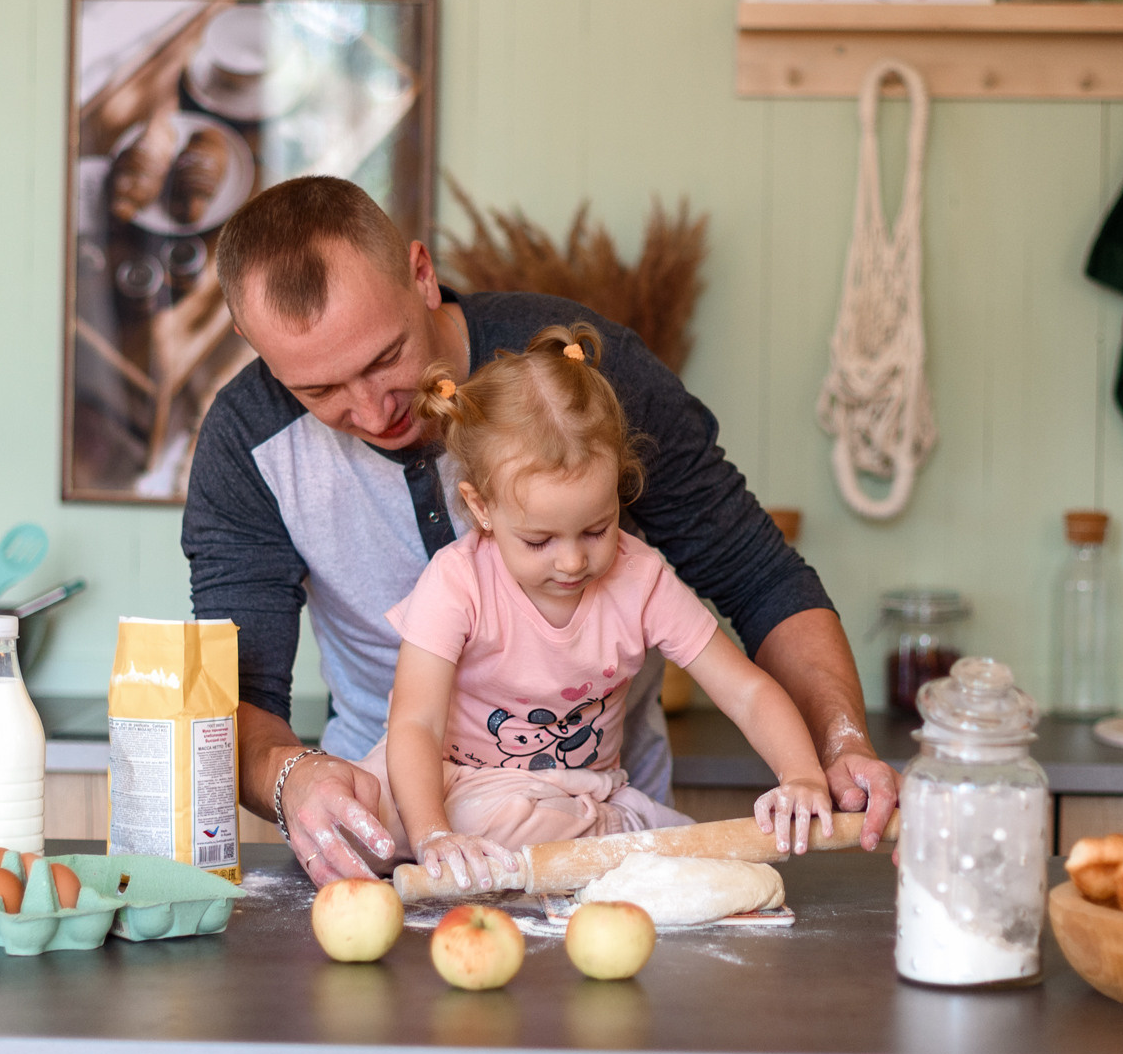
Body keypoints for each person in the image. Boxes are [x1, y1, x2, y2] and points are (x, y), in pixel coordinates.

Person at [183, 175, 895, 886]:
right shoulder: (244, 445)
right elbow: (236, 698)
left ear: (422, 276)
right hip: (393, 833)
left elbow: (760, 578)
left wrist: (838, 747)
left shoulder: (583, 387)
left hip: (600, 821)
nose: (372, 413)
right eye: (321, 391)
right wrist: (292, 778)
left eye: (384, 359)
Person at [369, 324, 833, 892]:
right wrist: (432, 834)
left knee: (541, 829)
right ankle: (602, 849)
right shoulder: (457, 580)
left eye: (596, 529)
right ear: (481, 507)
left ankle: (613, 835)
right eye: (539, 541)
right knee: (365, 807)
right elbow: (414, 723)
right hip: (453, 784)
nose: (571, 563)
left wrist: (803, 774)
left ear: (618, 486)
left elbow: (746, 689)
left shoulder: (641, 580)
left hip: (573, 796)